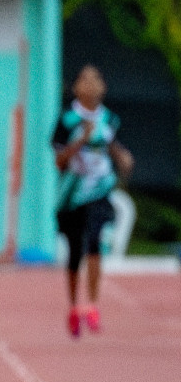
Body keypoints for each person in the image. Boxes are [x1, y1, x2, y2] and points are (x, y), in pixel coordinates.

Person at [52, 64, 133, 337]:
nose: (91, 84)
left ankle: (94, 305)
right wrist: (81, 140)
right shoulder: (67, 120)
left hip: (100, 191)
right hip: (72, 195)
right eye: (85, 79)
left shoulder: (110, 120)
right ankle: (74, 306)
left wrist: (122, 157)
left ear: (103, 87)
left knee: (96, 243)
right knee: (75, 252)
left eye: (97, 78)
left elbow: (117, 150)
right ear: (76, 87)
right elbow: (59, 162)